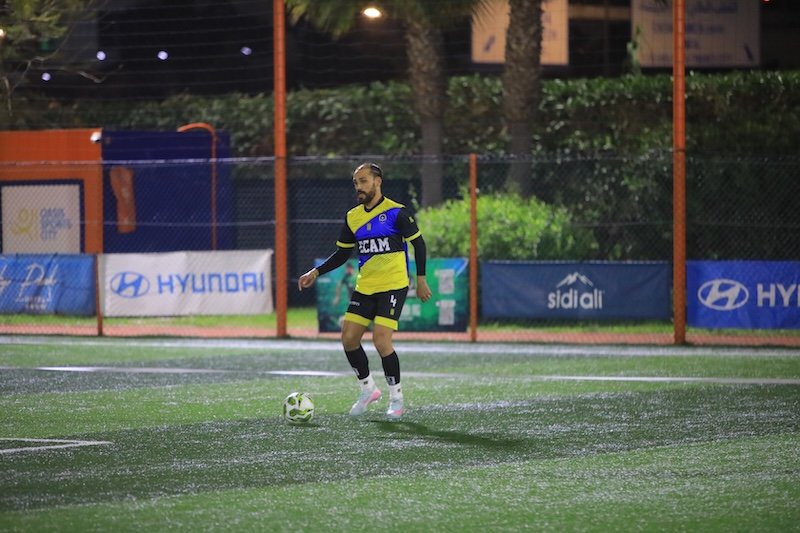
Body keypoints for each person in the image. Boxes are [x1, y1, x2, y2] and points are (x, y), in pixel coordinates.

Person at [298, 162, 432, 420]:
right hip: (366, 287)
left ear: (377, 182)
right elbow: (342, 254)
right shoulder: (353, 217)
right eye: (356, 183)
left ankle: (397, 399)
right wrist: (315, 272)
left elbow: (419, 244)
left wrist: (422, 280)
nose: (358, 187)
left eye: (363, 181)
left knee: (381, 341)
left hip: (393, 285)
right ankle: (368, 389)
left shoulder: (396, 212)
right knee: (348, 338)